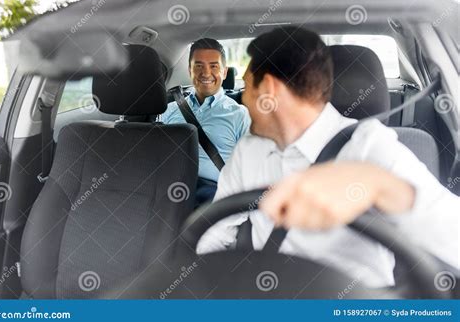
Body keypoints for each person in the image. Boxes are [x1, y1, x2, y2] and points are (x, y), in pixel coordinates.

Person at [196, 26, 459, 287]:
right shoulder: (248, 151)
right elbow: (215, 233)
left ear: (269, 89)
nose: (243, 98)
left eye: (248, 86)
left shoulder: (370, 145)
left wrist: (381, 186)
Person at [161, 38, 250, 205]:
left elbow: (251, 171)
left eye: (214, 66)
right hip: (166, 192)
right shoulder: (168, 110)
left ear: (224, 72)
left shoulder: (239, 115)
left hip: (211, 199)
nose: (206, 73)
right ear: (190, 70)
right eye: (199, 66)